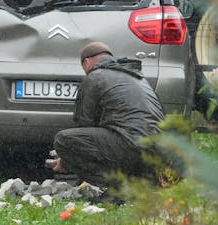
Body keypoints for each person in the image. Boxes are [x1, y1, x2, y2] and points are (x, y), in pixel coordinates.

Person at [51, 42, 164, 186]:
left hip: (132, 147)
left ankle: (119, 188)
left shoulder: (95, 76)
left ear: (87, 62)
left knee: (64, 140)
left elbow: (84, 124)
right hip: (158, 152)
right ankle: (140, 183)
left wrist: (66, 162)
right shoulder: (136, 77)